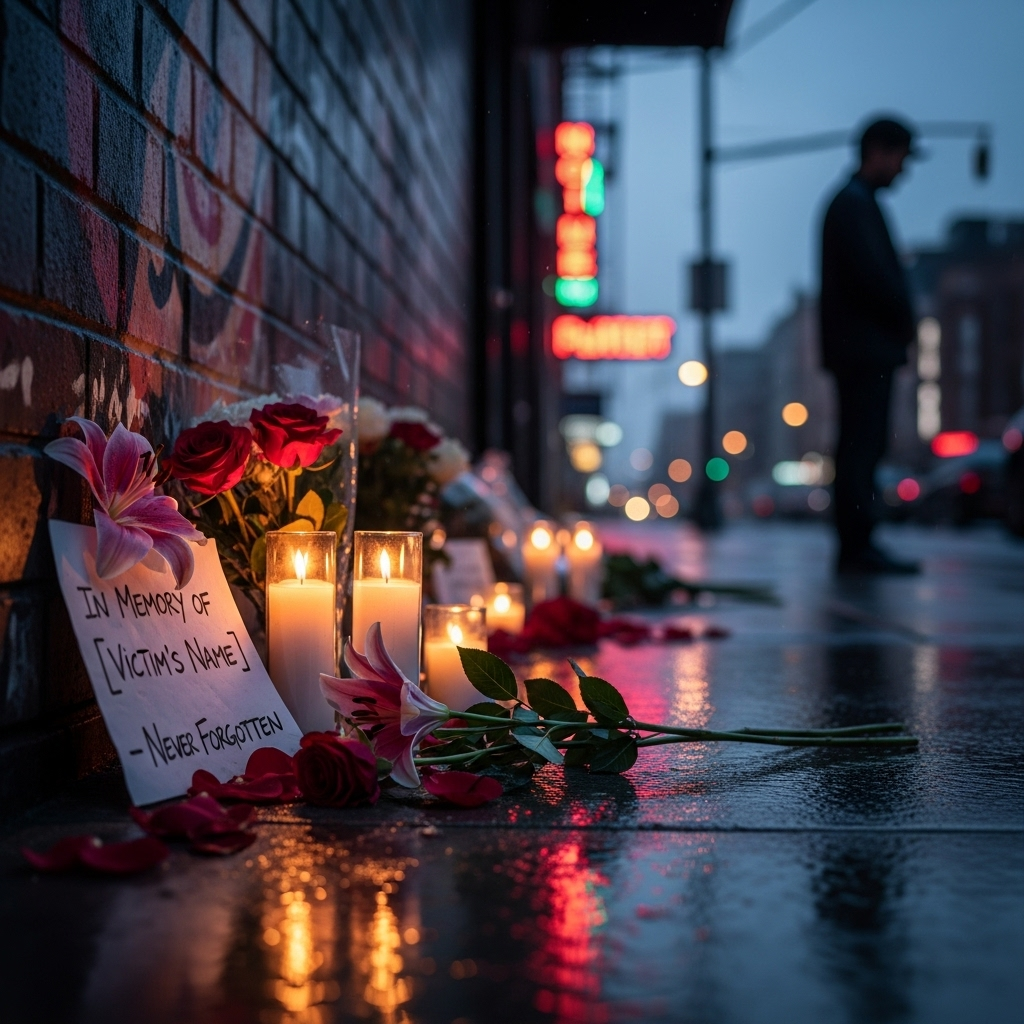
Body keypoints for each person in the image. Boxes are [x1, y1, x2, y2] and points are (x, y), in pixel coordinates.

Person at [820, 117, 921, 574]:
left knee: (862, 443)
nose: (903, 170)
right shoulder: (853, 206)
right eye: (900, 157)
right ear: (878, 152)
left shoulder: (854, 205)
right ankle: (857, 544)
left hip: (861, 346)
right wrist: (903, 316)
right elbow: (874, 279)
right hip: (864, 348)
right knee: (863, 443)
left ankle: (858, 542)